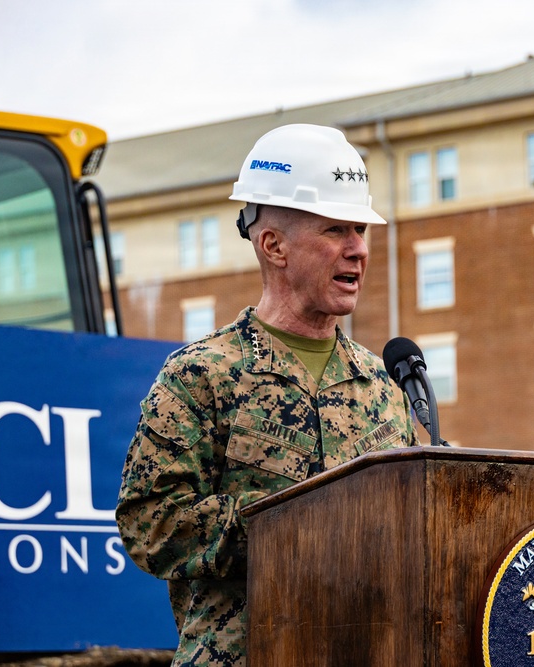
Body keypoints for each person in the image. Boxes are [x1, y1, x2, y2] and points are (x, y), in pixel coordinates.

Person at [116, 124, 418, 667]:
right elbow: (149, 522)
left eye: (361, 231)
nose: (357, 250)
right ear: (273, 245)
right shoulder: (202, 375)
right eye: (335, 230)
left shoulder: (381, 384)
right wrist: (294, 527)